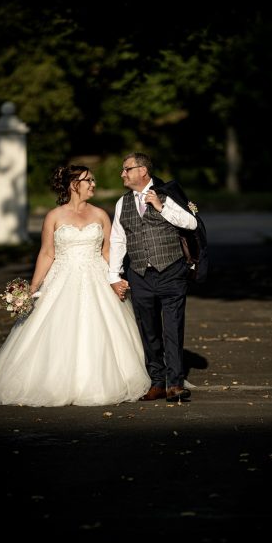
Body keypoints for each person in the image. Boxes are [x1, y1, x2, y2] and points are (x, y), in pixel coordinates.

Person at [0, 164, 151, 407]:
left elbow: (109, 250)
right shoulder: (54, 216)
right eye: (88, 180)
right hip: (61, 278)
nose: (93, 185)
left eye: (93, 180)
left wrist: (115, 278)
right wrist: (33, 288)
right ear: (73, 185)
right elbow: (47, 253)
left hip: (96, 276)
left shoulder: (100, 215)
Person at [109, 153, 198, 403]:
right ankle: (156, 382)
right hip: (139, 275)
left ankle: (175, 384)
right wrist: (114, 274)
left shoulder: (168, 194)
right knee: (148, 330)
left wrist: (162, 207)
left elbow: (191, 223)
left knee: (172, 328)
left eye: (127, 169)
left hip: (171, 272)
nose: (122, 173)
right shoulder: (122, 203)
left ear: (143, 171)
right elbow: (118, 239)